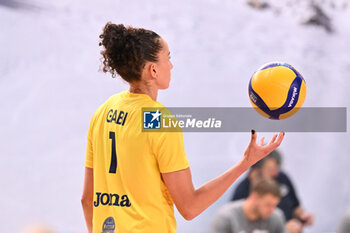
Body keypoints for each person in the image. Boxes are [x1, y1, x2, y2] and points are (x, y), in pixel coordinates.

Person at [81, 22, 284, 233]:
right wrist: (245, 163)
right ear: (153, 70)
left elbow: (87, 200)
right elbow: (190, 207)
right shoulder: (158, 120)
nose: (171, 65)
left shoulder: (102, 112)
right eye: (168, 58)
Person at [231, 150, 313, 233]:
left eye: (276, 169)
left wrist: (302, 217)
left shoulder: (282, 178)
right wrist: (283, 229)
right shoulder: (242, 191)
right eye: (270, 169)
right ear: (256, 171)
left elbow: (296, 206)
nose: (275, 174)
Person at [210, 178, 286, 233]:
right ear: (254, 197)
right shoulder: (226, 217)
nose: (271, 210)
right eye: (268, 205)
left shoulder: (276, 217)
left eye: (275, 205)